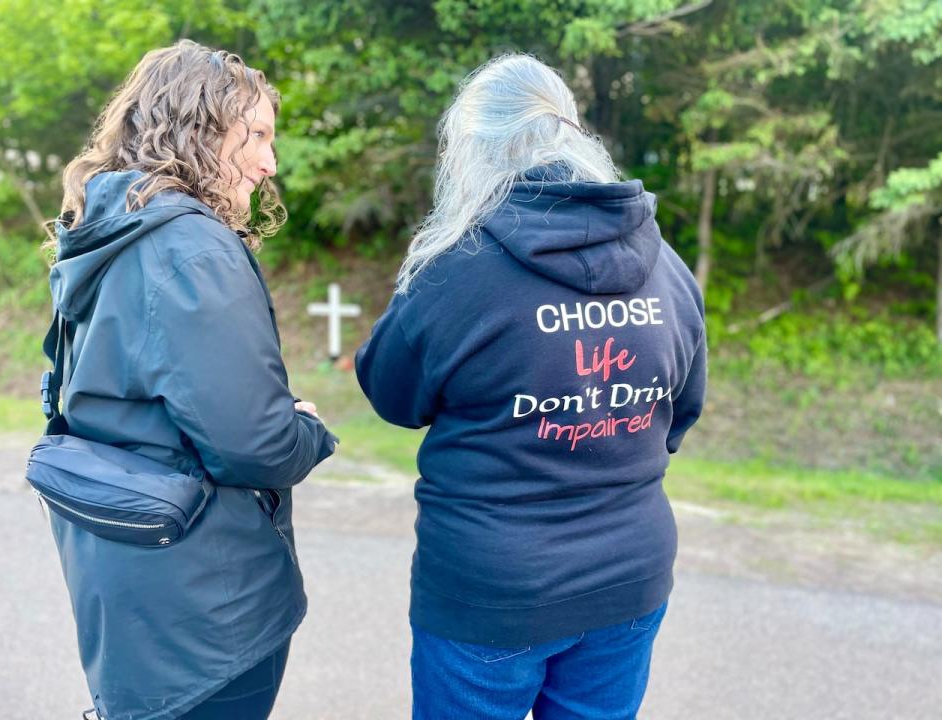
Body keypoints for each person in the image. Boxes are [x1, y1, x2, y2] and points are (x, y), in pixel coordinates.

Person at [356, 53, 706, 720]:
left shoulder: (457, 271)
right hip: (627, 576)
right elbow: (680, 414)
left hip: (492, 588)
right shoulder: (666, 266)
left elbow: (392, 394)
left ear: (472, 148)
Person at [42, 40, 336, 720]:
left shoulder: (102, 223)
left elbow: (117, 398)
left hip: (126, 583)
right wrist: (307, 430)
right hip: (204, 612)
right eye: (256, 135)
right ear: (197, 129)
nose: (271, 163)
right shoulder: (191, 245)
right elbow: (255, 444)